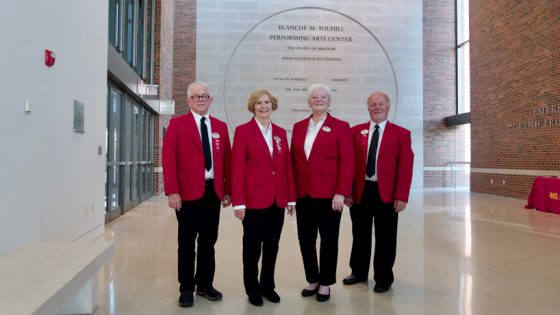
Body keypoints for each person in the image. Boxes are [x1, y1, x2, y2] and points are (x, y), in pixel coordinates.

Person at [162, 82, 232, 307]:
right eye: (196, 96)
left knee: (208, 242)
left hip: (213, 192)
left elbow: (227, 161)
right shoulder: (177, 124)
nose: (201, 99)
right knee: (186, 242)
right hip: (187, 194)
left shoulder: (220, 126)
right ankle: (186, 288)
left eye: (205, 96)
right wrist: (173, 191)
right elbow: (168, 159)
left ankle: (204, 284)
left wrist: (228, 190)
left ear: (211, 99)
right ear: (188, 101)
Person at [342, 91, 414, 293]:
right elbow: (348, 165)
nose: (377, 107)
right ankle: (358, 272)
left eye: (381, 103)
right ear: (368, 107)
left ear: (388, 106)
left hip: (387, 194)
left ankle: (383, 278)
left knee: (386, 237)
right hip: (361, 192)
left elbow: (406, 167)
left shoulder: (401, 133)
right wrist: (347, 191)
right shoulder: (355, 132)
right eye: (373, 104)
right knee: (360, 234)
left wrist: (401, 196)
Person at [231, 89, 296, 307]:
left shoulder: (279, 132)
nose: (263, 106)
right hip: (253, 201)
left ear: (272, 105)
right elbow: (237, 168)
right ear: (253, 106)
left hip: (277, 200)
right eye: (259, 103)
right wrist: (239, 201)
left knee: (272, 246)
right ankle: (253, 289)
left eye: (267, 102)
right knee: (252, 248)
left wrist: (290, 198)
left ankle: (268, 286)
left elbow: (286, 166)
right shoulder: (243, 131)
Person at [291, 83, 354, 302]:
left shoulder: (341, 126)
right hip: (304, 195)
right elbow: (294, 162)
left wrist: (341, 192)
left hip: (330, 197)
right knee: (305, 239)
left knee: (329, 240)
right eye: (315, 97)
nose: (319, 100)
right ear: (309, 102)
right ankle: (313, 279)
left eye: (323, 97)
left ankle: (326, 283)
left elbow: (348, 163)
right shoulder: (299, 127)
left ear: (329, 101)